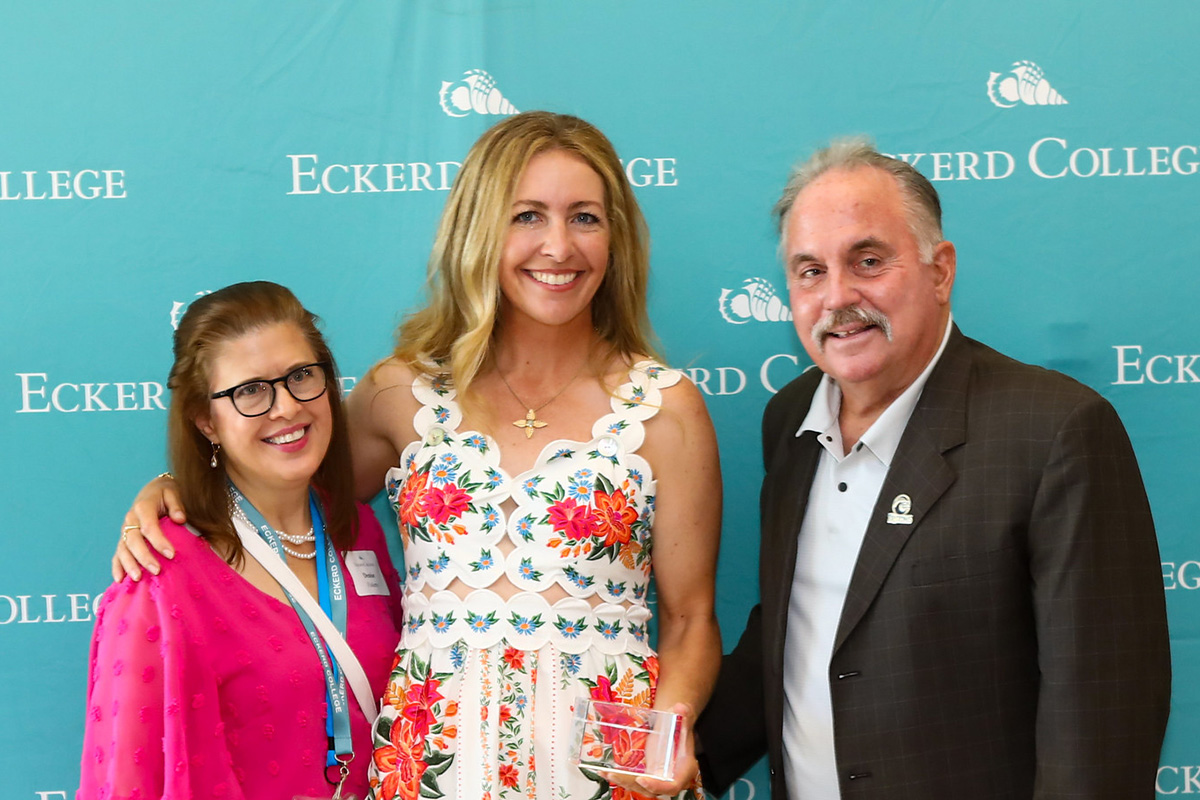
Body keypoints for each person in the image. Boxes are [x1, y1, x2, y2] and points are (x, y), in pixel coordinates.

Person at [115, 112, 721, 800]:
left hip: (611, 775)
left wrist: (670, 729)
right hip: (432, 771)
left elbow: (691, 620)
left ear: (616, 238)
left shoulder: (665, 408)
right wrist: (174, 484)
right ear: (479, 229)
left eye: (585, 217)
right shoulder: (400, 393)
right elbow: (281, 468)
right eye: (527, 216)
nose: (558, 246)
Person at [695, 138, 1171, 799]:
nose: (838, 297)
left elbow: (1103, 716)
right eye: (810, 271)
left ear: (939, 271)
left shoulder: (1055, 431)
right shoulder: (791, 421)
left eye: (868, 260)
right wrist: (682, 759)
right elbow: (801, 627)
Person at [80, 281, 404, 800]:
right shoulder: (161, 572)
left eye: (301, 376)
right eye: (250, 390)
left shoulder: (358, 531)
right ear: (206, 420)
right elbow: (127, 779)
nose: (286, 407)